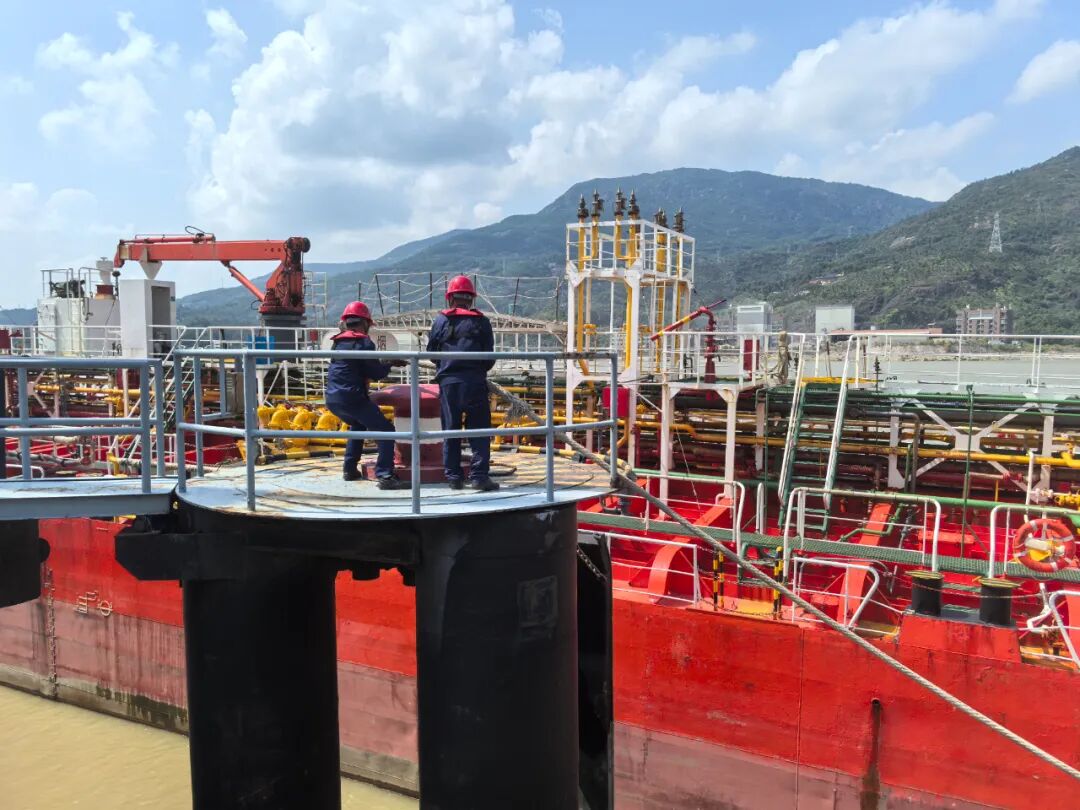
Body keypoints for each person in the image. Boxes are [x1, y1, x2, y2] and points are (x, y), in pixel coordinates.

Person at [326, 301, 410, 490]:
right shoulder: (364, 342)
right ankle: (386, 475)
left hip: (333, 398)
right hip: (353, 398)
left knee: (358, 425)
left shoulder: (337, 342)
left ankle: (349, 469)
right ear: (365, 323)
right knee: (386, 431)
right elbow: (376, 373)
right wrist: (390, 363)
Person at [426, 275, 499, 491]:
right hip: (475, 382)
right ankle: (479, 477)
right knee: (479, 431)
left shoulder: (441, 320)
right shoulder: (482, 322)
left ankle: (454, 478)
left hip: (449, 383)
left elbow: (432, 353)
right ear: (471, 298)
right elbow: (489, 358)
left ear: (450, 298)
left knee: (451, 431)